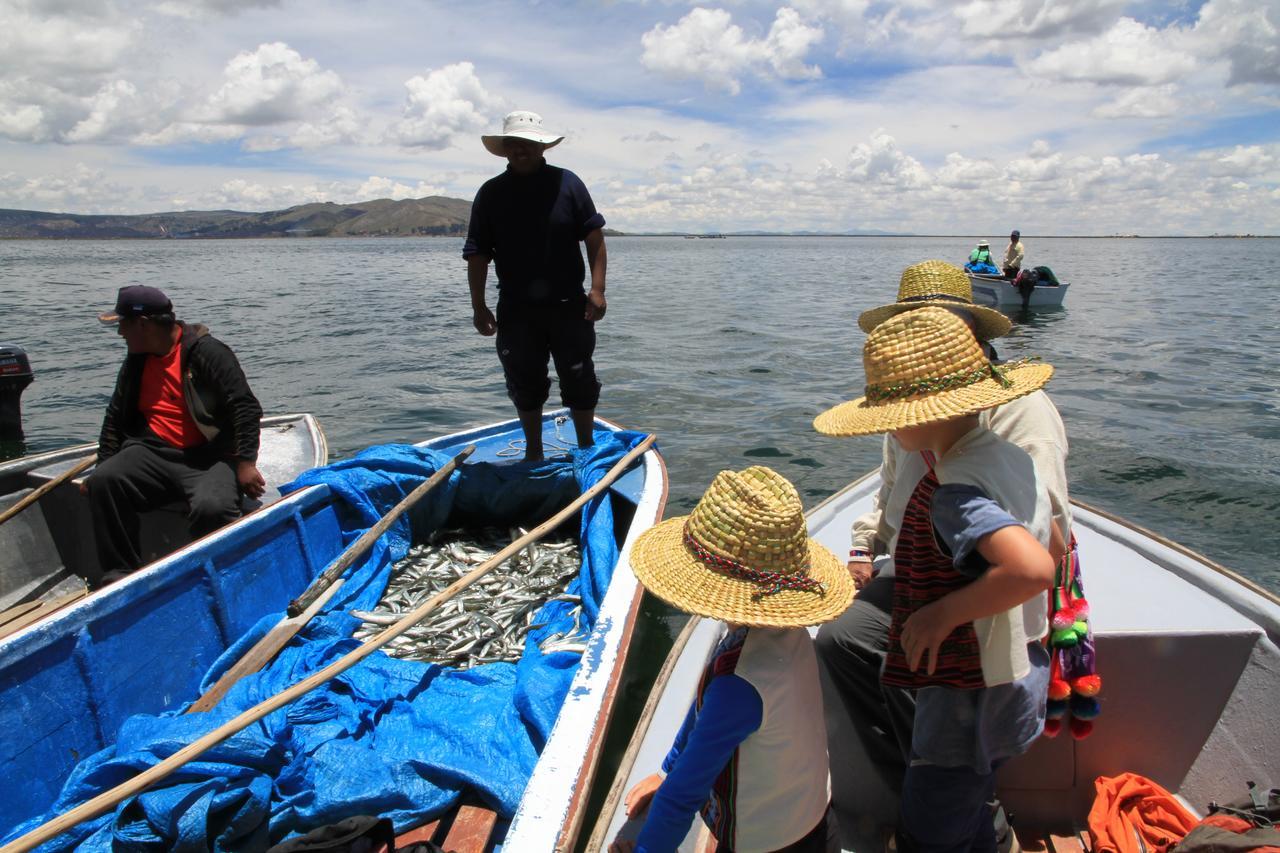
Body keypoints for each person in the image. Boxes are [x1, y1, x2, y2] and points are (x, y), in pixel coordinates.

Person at [817, 260, 1071, 848]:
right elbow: (887, 492)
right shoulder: (926, 416)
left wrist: (942, 612)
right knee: (842, 640)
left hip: (978, 612)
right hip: (929, 577)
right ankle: (929, 786)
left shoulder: (1014, 423)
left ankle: (943, 799)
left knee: (947, 767)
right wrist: (864, 547)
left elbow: (1044, 546)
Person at [610, 466, 855, 853]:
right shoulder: (787, 635)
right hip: (813, 820)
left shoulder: (738, 686)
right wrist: (667, 768)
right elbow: (701, 715)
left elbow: (682, 799)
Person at [86, 285, 264, 587]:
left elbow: (245, 407)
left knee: (213, 508)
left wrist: (246, 462)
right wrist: (103, 462)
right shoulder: (137, 360)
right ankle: (119, 577)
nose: (120, 334)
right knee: (103, 481)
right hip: (154, 451)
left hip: (208, 457)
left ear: (143, 325)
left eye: (123, 325)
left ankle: (207, 580)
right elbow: (115, 415)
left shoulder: (207, 352)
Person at [463, 110, 608, 461]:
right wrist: (478, 306)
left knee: (579, 376)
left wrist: (598, 288)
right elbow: (478, 253)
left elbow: (594, 236)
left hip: (568, 305)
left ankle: (586, 449)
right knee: (524, 380)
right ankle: (533, 452)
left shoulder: (568, 183)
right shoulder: (491, 193)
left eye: (528, 143)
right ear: (505, 149)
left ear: (542, 147)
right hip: (516, 309)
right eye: (513, 144)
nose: (520, 150)